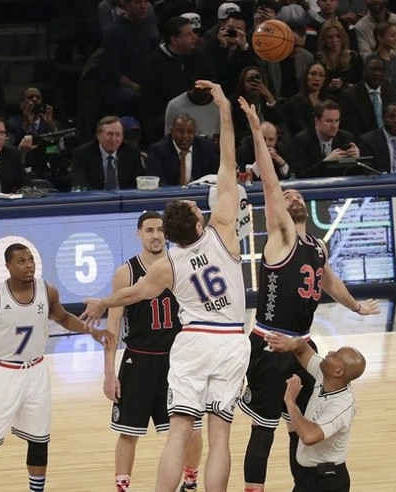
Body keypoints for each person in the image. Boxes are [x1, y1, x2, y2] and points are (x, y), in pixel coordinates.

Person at [81, 80, 251, 492]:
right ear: (198, 223)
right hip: (229, 339)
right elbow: (228, 162)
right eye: (196, 207)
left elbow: (133, 294)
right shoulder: (223, 232)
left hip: (190, 342)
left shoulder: (167, 264)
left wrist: (103, 301)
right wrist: (225, 109)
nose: (200, 206)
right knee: (220, 438)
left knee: (177, 434)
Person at [237, 96, 379, 492]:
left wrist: (355, 306)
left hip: (302, 343)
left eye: (298, 195)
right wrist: (255, 130)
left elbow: (329, 280)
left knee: (300, 420)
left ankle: (304, 484)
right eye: (287, 195)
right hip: (269, 342)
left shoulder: (316, 246)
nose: (293, 195)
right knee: (263, 428)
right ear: (278, 209)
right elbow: (269, 181)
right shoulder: (280, 237)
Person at [0, 243, 113, 492]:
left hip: (36, 372)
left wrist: (91, 330)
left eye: (31, 260)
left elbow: (63, 317)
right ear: (7, 266)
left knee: (39, 438)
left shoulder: (47, 291)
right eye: (21, 261)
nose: (29, 266)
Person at [103, 211, 202, 492]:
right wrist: (109, 373)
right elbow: (113, 324)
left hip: (178, 360)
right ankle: (122, 487)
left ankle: (190, 482)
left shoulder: (182, 265)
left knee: (191, 428)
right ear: (139, 234)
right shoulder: (126, 272)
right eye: (149, 230)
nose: (156, 235)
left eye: (160, 230)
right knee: (127, 433)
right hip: (138, 360)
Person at [266, 332, 366, 492]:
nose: (331, 352)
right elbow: (303, 350)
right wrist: (291, 344)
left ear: (338, 371)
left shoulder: (341, 406)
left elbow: (309, 436)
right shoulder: (326, 376)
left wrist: (290, 402)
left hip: (326, 482)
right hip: (308, 477)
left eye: (337, 355)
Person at [71, 115, 143, 190]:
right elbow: (80, 184)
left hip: (124, 198)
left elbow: (139, 184)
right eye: (110, 134)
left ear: (122, 137)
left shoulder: (132, 153)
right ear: (98, 136)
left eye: (118, 135)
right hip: (95, 199)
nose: (114, 139)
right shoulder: (82, 154)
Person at [291, 99, 359, 178]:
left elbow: (353, 174)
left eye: (337, 121)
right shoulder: (301, 141)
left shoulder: (346, 138)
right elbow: (301, 175)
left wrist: (356, 160)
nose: (334, 126)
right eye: (329, 121)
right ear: (317, 121)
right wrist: (327, 162)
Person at [146, 114, 219, 186]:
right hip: (169, 195)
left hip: (198, 194)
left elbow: (214, 177)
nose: (185, 136)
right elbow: (158, 182)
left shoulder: (207, 148)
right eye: (180, 132)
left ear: (195, 133)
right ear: (172, 132)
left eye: (190, 132)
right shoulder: (157, 151)